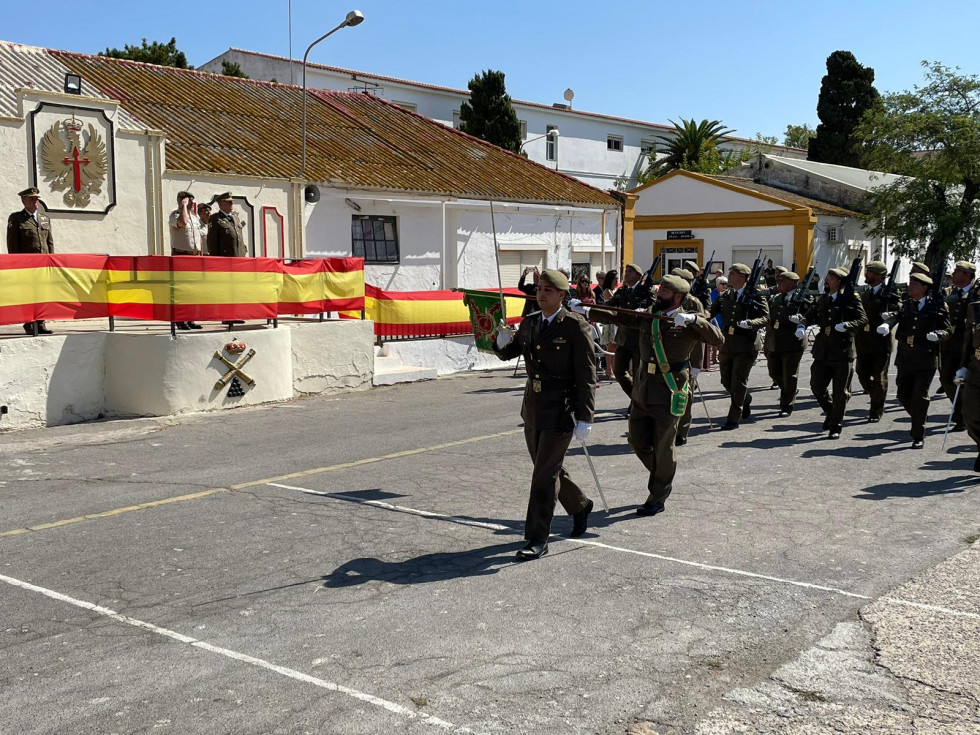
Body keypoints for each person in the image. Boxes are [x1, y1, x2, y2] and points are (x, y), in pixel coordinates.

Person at [571, 275, 723, 516]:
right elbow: (619, 316)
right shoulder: (649, 313)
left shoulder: (689, 318)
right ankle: (662, 474)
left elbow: (718, 338)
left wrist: (693, 320)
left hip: (670, 387)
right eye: (660, 288)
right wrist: (588, 310)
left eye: (664, 290)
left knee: (664, 445)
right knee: (637, 440)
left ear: (677, 296)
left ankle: (658, 494)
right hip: (644, 387)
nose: (658, 292)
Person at [493, 269, 596, 561]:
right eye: (539, 289)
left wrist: (586, 416)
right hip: (534, 408)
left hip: (561, 409)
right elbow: (510, 352)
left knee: (543, 476)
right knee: (547, 469)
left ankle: (537, 538)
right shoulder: (530, 323)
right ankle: (579, 504)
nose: (541, 294)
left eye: (548, 290)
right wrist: (500, 341)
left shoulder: (576, 327)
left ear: (562, 295)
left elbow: (586, 374)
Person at [793, 267, 868, 439]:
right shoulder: (824, 298)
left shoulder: (850, 299)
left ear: (840, 281)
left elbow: (863, 319)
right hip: (822, 350)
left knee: (840, 391)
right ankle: (831, 412)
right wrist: (802, 325)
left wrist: (847, 325)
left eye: (831, 277)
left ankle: (836, 425)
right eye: (827, 276)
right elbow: (810, 315)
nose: (827, 280)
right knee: (816, 386)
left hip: (841, 350)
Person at [879, 272, 950, 448]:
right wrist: (888, 324)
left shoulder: (937, 306)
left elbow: (947, 330)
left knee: (919, 396)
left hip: (925, 358)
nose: (909, 287)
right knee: (903, 394)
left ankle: (918, 434)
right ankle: (919, 416)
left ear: (924, 287)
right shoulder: (907, 305)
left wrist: (938, 335)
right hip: (905, 357)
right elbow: (898, 316)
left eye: (914, 285)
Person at [708, 263, 769, 430]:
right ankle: (746, 399)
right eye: (730, 273)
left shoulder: (755, 295)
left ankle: (733, 418)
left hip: (746, 344)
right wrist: (695, 318)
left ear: (743, 277)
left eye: (733, 274)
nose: (730, 277)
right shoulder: (726, 295)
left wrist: (751, 323)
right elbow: (710, 312)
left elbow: (765, 317)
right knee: (726, 381)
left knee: (739, 381)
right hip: (727, 343)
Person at [854, 261, 903, 422]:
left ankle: (876, 409)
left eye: (869, 273)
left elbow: (899, 311)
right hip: (863, 341)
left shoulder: (890, 294)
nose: (866, 275)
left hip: (881, 342)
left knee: (879, 376)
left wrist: (889, 318)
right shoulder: (865, 294)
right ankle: (875, 393)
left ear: (878, 276)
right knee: (861, 373)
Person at [6, 187, 54, 335]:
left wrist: (51, 261)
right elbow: (12, 244)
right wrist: (16, 264)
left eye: (37, 198)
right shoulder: (16, 218)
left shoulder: (44, 219)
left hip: (42, 265)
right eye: (32, 199)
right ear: (24, 200)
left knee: (42, 294)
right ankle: (29, 323)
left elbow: (49, 242)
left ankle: (41, 322)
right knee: (28, 294)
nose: (36, 201)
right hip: (26, 266)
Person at [603, 263, 654, 399]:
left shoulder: (645, 292)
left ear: (638, 275)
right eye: (626, 270)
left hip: (639, 339)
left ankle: (637, 404)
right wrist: (589, 309)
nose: (626, 273)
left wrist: (644, 311)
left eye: (630, 271)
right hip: (623, 338)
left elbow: (654, 309)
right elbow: (608, 306)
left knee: (638, 374)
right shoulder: (622, 291)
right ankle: (636, 398)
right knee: (619, 371)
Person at [765, 271, 812, 416]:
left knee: (790, 375)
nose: (778, 283)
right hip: (776, 340)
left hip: (792, 341)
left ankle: (787, 405)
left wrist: (801, 321)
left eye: (782, 281)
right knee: (774, 372)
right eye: (777, 281)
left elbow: (810, 315)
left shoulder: (802, 298)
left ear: (792, 283)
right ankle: (789, 390)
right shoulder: (777, 297)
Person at [939, 261, 976, 431]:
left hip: (967, 345)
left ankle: (963, 416)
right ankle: (959, 410)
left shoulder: (976, 295)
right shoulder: (948, 292)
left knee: (968, 383)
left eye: (958, 271)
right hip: (949, 344)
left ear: (968, 276)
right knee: (946, 379)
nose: (954, 274)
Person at [168, 191, 206, 330]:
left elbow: (200, 237)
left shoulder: (195, 218)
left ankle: (190, 318)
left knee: (192, 290)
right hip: (181, 255)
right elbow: (182, 223)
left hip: (194, 256)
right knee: (182, 290)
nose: (190, 203)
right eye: (187, 200)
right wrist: (183, 207)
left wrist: (201, 256)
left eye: (191, 200)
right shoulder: (176, 215)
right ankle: (180, 320)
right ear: (181, 201)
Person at [954, 297, 980, 471]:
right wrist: (963, 365)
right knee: (970, 415)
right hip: (976, 368)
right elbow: (968, 340)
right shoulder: (975, 308)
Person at [206, 192, 246, 258]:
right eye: (229, 202)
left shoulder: (235, 217)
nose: (231, 204)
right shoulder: (215, 219)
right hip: (226, 259)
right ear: (221, 204)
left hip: (240, 257)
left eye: (231, 202)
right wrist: (214, 260)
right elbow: (212, 243)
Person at [599, 270, 619, 379]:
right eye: (615, 279)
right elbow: (612, 304)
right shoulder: (608, 291)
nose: (617, 280)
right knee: (610, 347)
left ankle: (614, 370)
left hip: (616, 321)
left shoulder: (616, 290)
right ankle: (608, 370)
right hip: (610, 321)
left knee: (615, 347)